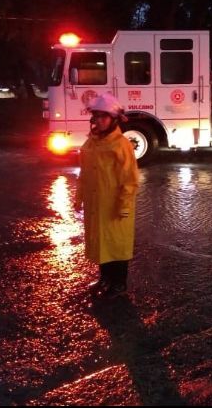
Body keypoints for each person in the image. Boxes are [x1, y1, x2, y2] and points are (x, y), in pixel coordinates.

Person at [74, 94, 140, 300]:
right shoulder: (91, 142)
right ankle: (105, 279)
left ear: (114, 119)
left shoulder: (121, 144)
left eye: (104, 117)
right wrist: (79, 197)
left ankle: (119, 284)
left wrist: (125, 205)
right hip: (96, 204)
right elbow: (84, 173)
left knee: (116, 244)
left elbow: (130, 178)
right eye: (97, 116)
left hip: (114, 205)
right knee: (101, 242)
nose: (99, 121)